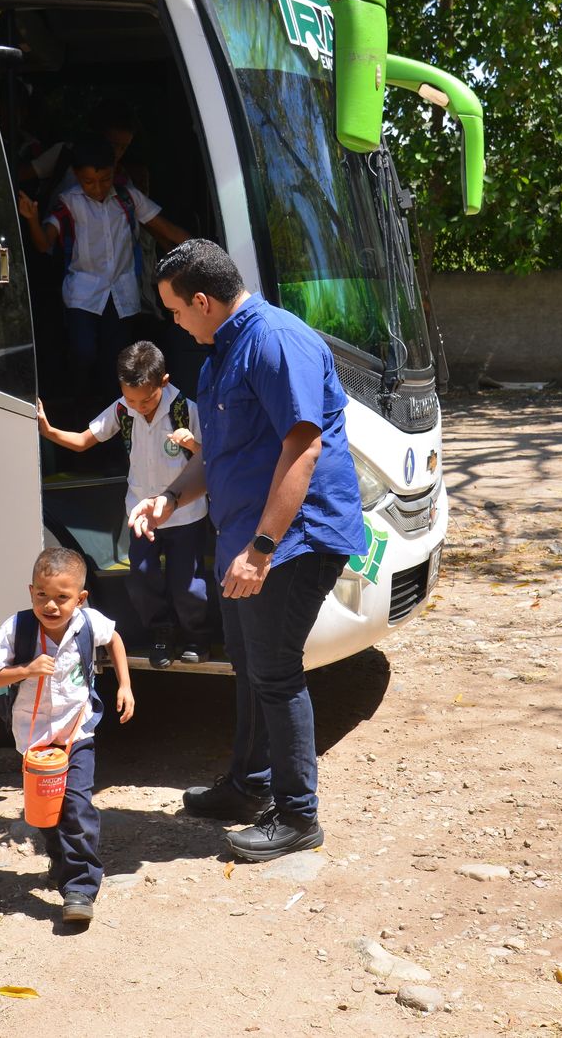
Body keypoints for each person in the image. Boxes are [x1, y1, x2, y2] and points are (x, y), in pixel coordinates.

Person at [128, 239, 366, 863]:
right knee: (251, 662)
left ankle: (297, 816)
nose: (175, 322)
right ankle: (247, 787)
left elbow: (304, 447)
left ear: (203, 301)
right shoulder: (219, 354)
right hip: (247, 539)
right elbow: (218, 457)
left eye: (176, 310)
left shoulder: (273, 340)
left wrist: (260, 550)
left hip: (293, 540)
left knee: (277, 670)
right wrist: (170, 500)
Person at [0, 547, 135, 924]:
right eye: (43, 596)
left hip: (76, 730)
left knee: (77, 805)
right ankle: (61, 861)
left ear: (79, 599)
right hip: (34, 739)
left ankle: (80, 886)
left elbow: (114, 638)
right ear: (31, 591)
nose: (50, 605)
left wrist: (125, 685)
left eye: (61, 598)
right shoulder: (16, 628)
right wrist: (25, 670)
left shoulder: (87, 622)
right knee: (46, 813)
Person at [36, 341, 211, 669]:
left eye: (146, 400)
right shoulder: (123, 409)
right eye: (131, 399)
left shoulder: (186, 409)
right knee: (141, 576)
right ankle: (162, 632)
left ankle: (196, 636)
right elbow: (84, 440)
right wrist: (48, 430)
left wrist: (192, 442)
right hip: (140, 514)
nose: (139, 407)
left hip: (185, 513)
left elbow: (210, 457)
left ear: (164, 381)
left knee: (187, 583)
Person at [16, 137, 191, 410]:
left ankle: (114, 418)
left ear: (115, 171)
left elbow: (167, 230)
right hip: (82, 295)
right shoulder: (68, 203)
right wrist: (31, 220)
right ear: (76, 176)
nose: (97, 188)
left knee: (117, 360)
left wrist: (203, 252)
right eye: (89, 182)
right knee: (83, 352)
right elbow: (44, 244)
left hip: (121, 295)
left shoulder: (127, 197)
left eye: (105, 179)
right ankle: (78, 405)